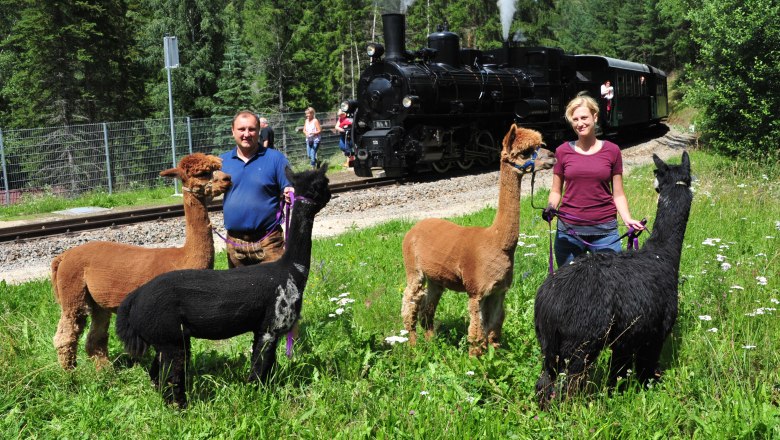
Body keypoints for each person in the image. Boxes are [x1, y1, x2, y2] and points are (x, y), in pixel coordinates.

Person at [544, 95, 644, 268]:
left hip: (605, 231)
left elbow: (618, 194)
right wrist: (551, 207)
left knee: (610, 286)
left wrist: (627, 218)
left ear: (595, 117)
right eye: (575, 119)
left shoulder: (612, 151)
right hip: (569, 232)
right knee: (571, 289)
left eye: (584, 118)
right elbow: (556, 190)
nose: (579, 123)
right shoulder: (562, 151)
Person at [219, 110, 293, 268]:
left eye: (251, 129)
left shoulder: (275, 159)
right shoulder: (222, 162)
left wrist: (289, 191)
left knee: (274, 289)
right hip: (235, 243)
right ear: (233, 131)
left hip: (268, 241)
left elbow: (290, 186)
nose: (246, 134)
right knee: (238, 290)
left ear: (259, 131)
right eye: (241, 129)